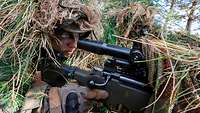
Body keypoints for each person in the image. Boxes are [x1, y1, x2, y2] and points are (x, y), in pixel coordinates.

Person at [20, 1, 108, 113]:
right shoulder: (21, 56)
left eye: (78, 37)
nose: (74, 45)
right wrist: (55, 98)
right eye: (66, 35)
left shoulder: (65, 55)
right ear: (47, 32)